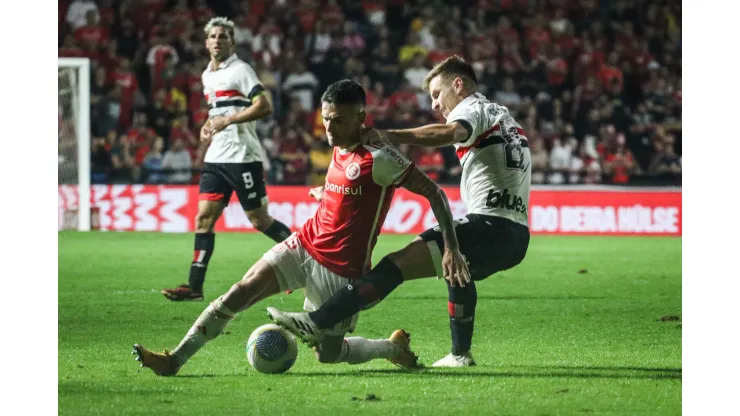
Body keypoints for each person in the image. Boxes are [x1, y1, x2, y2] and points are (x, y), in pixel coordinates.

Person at [132, 79, 470, 376]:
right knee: (241, 290)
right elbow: (350, 195)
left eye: (337, 121)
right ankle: (174, 359)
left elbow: (435, 193)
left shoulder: (380, 158)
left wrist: (451, 247)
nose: (329, 128)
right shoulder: (338, 145)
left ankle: (391, 348)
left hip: (341, 271)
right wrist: (327, 195)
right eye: (325, 118)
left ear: (361, 119)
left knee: (329, 355)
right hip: (305, 243)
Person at [267, 55, 531, 368]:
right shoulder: (503, 118)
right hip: (516, 236)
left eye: (437, 94)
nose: (435, 105)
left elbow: (449, 134)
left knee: (395, 265)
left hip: (489, 226)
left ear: (458, 85)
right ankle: (460, 355)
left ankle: (317, 321)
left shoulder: (471, 108)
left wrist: (393, 135)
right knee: (456, 271)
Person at [161, 17, 292, 302]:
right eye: (213, 36)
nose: (218, 40)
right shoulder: (207, 75)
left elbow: (264, 105)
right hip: (216, 157)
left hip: (243, 156)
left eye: (223, 36)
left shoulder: (241, 70)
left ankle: (304, 263)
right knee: (203, 219)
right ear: (206, 42)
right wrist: (209, 125)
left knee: (259, 220)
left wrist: (228, 120)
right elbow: (218, 112)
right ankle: (194, 287)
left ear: (232, 42)